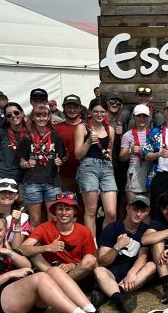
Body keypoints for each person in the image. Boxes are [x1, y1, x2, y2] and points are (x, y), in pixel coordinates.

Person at [0, 214, 110, 313]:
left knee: (54, 270)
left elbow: (26, 265)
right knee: (41, 277)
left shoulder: (7, 249)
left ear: (6, 231)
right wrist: (9, 275)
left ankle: (91, 310)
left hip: (24, 300)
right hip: (1, 303)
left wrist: (10, 252)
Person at [93, 195, 154, 313]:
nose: (138, 214)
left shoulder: (146, 231)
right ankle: (119, 300)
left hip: (132, 275)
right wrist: (117, 247)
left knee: (151, 266)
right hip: (112, 272)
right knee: (98, 271)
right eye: (135, 209)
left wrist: (132, 273)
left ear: (147, 212)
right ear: (128, 208)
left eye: (143, 211)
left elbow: (143, 256)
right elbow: (102, 261)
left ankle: (108, 294)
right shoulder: (112, 228)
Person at [20, 193, 98, 285]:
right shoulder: (44, 227)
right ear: (55, 212)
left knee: (90, 259)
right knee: (33, 252)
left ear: (75, 211)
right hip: (50, 270)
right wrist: (47, 247)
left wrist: (73, 265)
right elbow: (22, 249)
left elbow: (93, 261)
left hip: (75, 273)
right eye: (60, 209)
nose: (64, 213)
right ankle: (60, 283)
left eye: (68, 209)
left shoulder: (84, 231)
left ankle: (59, 284)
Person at [74, 99, 118, 235]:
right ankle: (91, 246)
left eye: (102, 112)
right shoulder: (82, 128)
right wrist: (88, 142)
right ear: (90, 112)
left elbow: (109, 152)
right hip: (88, 166)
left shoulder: (110, 129)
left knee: (111, 212)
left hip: (106, 167)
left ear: (106, 112)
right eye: (96, 111)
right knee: (91, 210)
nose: (99, 115)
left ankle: (105, 242)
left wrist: (110, 166)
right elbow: (77, 155)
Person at [18, 105, 66, 227]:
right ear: (33, 118)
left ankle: (52, 244)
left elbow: (64, 156)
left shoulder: (55, 136)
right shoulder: (27, 139)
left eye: (44, 115)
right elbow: (21, 163)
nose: (41, 118)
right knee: (35, 219)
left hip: (52, 182)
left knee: (54, 218)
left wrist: (60, 161)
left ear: (49, 117)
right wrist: (27, 164)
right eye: (38, 115)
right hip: (32, 182)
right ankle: (36, 245)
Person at [118, 103, 152, 203]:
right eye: (139, 116)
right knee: (133, 205)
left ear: (148, 117)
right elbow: (121, 158)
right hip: (134, 168)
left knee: (147, 207)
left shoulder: (153, 133)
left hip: (150, 169)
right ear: (134, 117)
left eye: (144, 116)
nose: (142, 118)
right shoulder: (127, 135)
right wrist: (130, 151)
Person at [0, 102, 26, 187]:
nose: (13, 116)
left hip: (25, 178)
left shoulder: (30, 132)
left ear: (22, 113)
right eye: (9, 115)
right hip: (3, 177)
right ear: (6, 118)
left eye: (16, 113)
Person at [0, 178, 32, 249]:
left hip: (11, 254)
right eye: (3, 192)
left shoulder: (22, 218)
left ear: (16, 196)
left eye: (11, 192)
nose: (7, 195)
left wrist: (17, 224)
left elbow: (16, 248)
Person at [54, 94, 84, 194]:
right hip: (64, 175)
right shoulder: (56, 129)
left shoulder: (87, 127)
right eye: (69, 107)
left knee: (85, 207)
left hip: (85, 173)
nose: (72, 110)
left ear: (80, 108)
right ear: (63, 108)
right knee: (65, 205)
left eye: (75, 107)